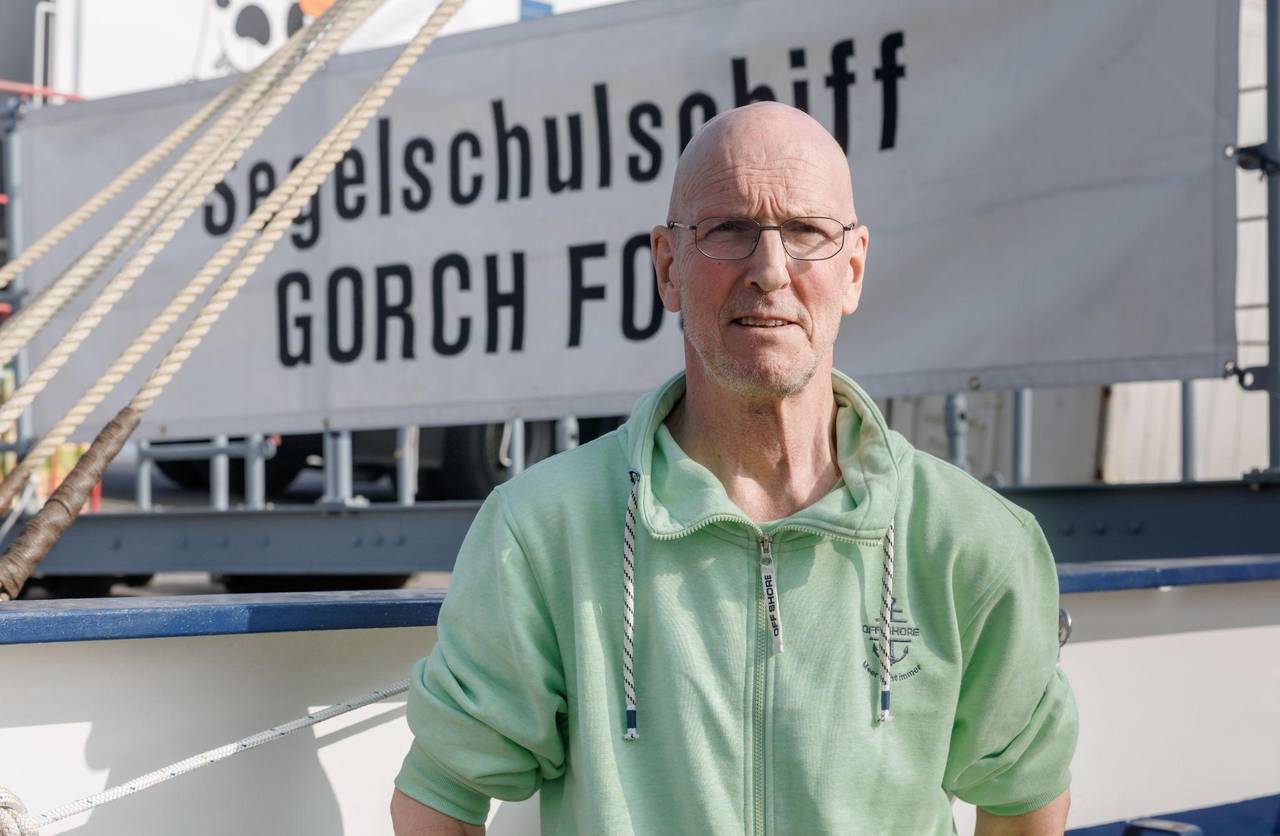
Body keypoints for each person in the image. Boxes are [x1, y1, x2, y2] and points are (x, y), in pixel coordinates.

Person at [391, 101, 1077, 835]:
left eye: (807, 232)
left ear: (852, 269)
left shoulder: (970, 541)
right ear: (668, 267)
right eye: (729, 230)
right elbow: (440, 799)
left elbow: (1023, 802)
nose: (770, 270)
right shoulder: (543, 531)